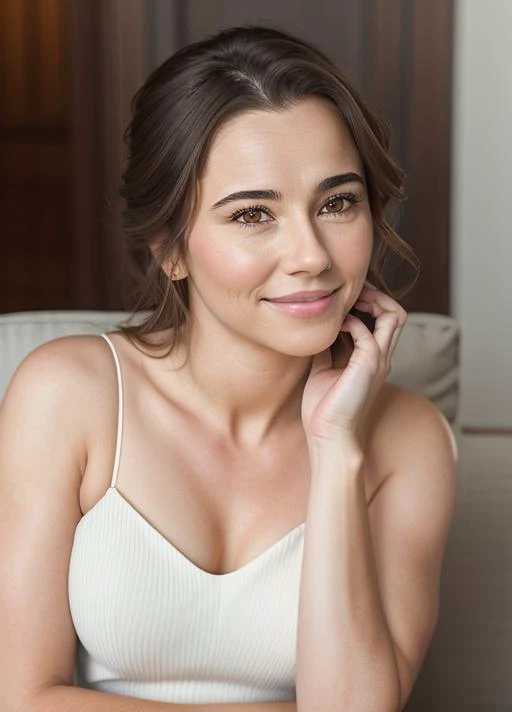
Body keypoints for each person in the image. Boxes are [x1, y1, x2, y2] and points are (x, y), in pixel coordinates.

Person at [0, 24, 456, 712]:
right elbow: (19, 695)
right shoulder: (67, 395)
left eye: (337, 203)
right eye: (252, 215)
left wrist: (336, 452)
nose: (311, 255)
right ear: (170, 250)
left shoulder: (408, 439)